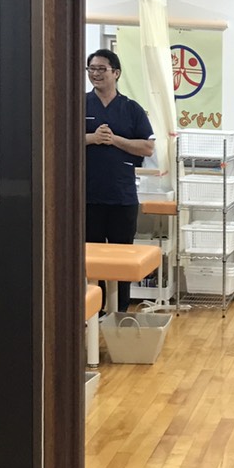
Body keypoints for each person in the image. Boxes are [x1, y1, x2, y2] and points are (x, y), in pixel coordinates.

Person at [84, 48, 155, 312]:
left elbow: (147, 147)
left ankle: (120, 313)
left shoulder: (131, 109)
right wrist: (92, 138)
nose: (95, 74)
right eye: (91, 69)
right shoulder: (79, 103)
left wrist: (114, 140)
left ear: (116, 73)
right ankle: (94, 312)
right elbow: (60, 140)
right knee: (90, 259)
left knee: (122, 258)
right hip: (88, 197)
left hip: (122, 197)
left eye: (101, 69)